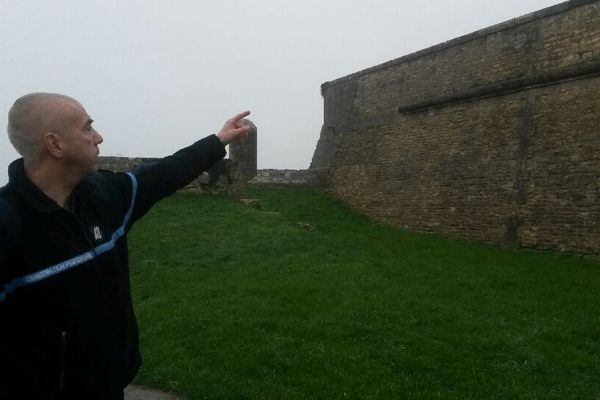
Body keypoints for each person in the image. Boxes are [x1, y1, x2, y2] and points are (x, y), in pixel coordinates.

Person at [0, 93, 251, 400]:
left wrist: (218, 140)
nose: (98, 137)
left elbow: (164, 174)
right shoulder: (8, 223)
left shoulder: (104, 196)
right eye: (87, 127)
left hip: (111, 385)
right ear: (55, 144)